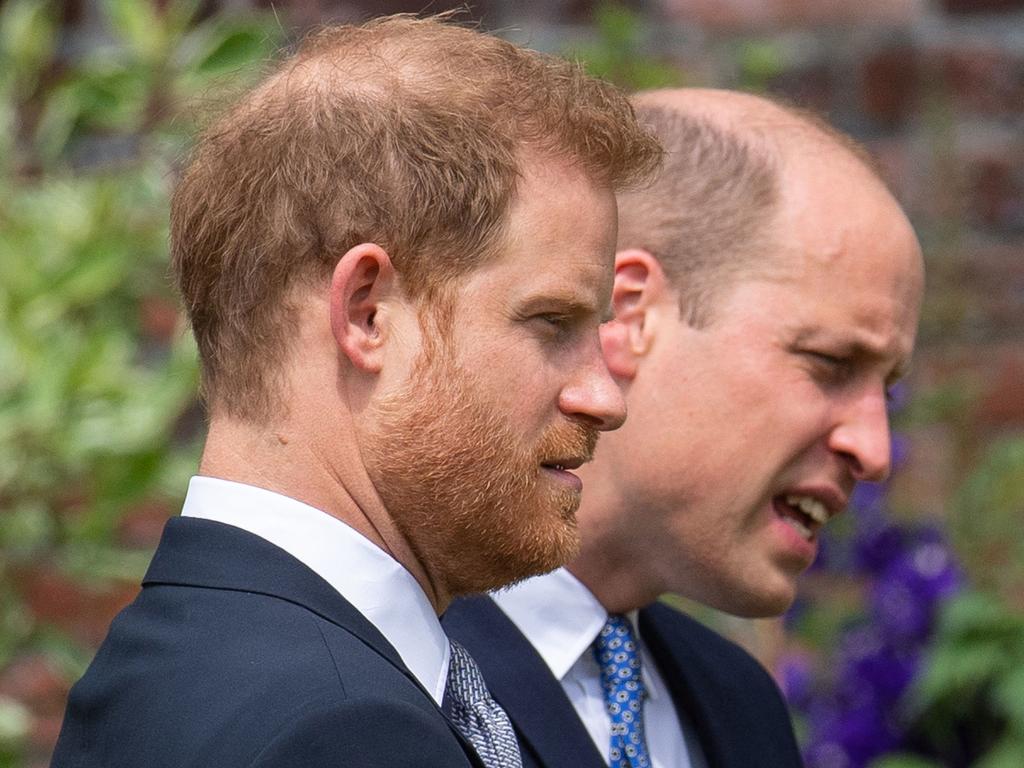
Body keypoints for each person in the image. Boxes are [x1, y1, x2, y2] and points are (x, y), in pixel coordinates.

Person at [50, 16, 661, 768]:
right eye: (551, 322)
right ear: (367, 312)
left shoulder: (181, 660)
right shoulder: (339, 732)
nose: (606, 396)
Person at [444, 88, 925, 768]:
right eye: (830, 363)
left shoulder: (740, 708)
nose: (873, 450)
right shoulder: (388, 666)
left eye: (888, 389)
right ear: (630, 313)